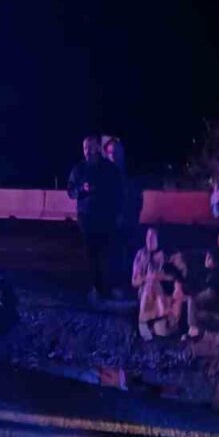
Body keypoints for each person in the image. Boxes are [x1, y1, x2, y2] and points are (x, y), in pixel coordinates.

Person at [67, 135, 124, 304]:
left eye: (90, 147)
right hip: (86, 217)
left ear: (98, 148)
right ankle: (95, 288)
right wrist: (81, 189)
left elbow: (118, 192)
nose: (87, 151)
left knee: (108, 253)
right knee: (91, 254)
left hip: (106, 217)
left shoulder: (109, 169)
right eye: (85, 148)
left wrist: (118, 213)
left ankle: (110, 287)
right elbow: (70, 191)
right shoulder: (79, 169)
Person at [131, 227, 182, 340]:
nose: (150, 240)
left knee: (162, 331)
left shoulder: (166, 255)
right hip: (147, 293)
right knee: (151, 286)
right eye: (148, 237)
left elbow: (176, 274)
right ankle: (145, 322)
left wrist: (162, 277)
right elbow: (134, 281)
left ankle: (167, 321)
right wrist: (147, 278)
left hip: (165, 292)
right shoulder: (141, 255)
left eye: (153, 238)